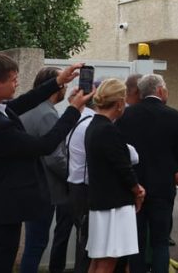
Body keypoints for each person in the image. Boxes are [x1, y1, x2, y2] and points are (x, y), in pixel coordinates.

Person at [0, 53, 88, 273]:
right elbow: (45, 146)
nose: (17, 83)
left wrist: (58, 81)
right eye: (13, 80)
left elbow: (23, 103)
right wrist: (74, 110)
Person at [117, 74, 178, 273]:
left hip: (134, 187)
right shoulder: (173, 115)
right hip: (163, 188)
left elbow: (119, 151)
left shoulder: (125, 116)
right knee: (160, 242)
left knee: (137, 241)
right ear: (160, 90)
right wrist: (176, 169)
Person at [85, 79, 146, 273]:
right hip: (114, 205)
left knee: (98, 259)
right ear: (119, 103)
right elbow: (123, 167)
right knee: (108, 261)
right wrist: (137, 189)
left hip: (101, 201)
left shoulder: (94, 126)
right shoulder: (108, 130)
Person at [20, 67, 73, 273]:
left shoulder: (28, 109)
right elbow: (55, 158)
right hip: (42, 190)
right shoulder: (46, 115)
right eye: (64, 84)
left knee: (34, 244)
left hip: (30, 186)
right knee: (36, 244)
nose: (66, 89)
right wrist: (74, 176)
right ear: (55, 86)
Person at [67, 88, 98, 273]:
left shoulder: (76, 119)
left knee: (82, 236)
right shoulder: (90, 124)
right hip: (86, 186)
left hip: (74, 184)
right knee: (87, 240)